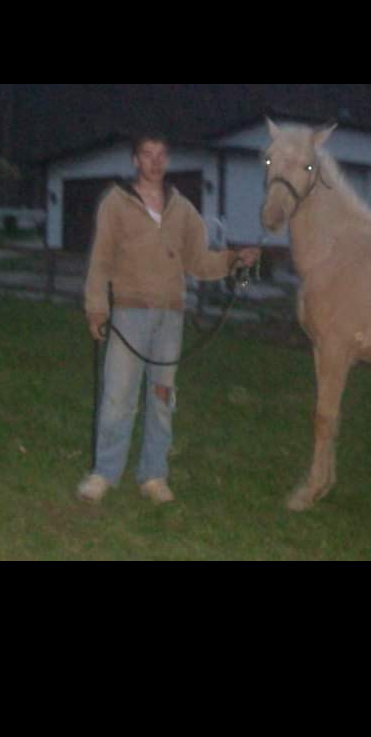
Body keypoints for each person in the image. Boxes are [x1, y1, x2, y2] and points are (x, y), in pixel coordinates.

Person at [78, 132, 259, 504]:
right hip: (129, 313)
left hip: (170, 318)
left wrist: (233, 259)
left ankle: (154, 474)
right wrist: (96, 307)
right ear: (135, 160)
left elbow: (199, 261)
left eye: (161, 154)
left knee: (162, 398)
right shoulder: (116, 203)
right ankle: (104, 473)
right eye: (147, 154)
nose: (155, 162)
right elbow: (101, 259)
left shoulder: (183, 210)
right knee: (118, 397)